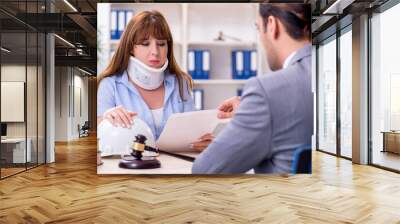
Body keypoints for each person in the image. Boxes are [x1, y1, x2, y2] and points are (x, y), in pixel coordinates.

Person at [192, 3, 313, 174]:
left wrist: (255, 114)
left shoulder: (266, 91)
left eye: (258, 28)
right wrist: (251, 113)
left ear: (272, 25)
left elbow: (204, 170)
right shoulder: (341, 69)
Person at [97, 10, 213, 149]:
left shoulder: (180, 83)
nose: (155, 51)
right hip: (131, 167)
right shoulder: (110, 85)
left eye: (161, 44)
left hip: (176, 166)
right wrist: (105, 120)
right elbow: (100, 137)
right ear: (131, 48)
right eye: (145, 44)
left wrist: (202, 142)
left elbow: (193, 133)